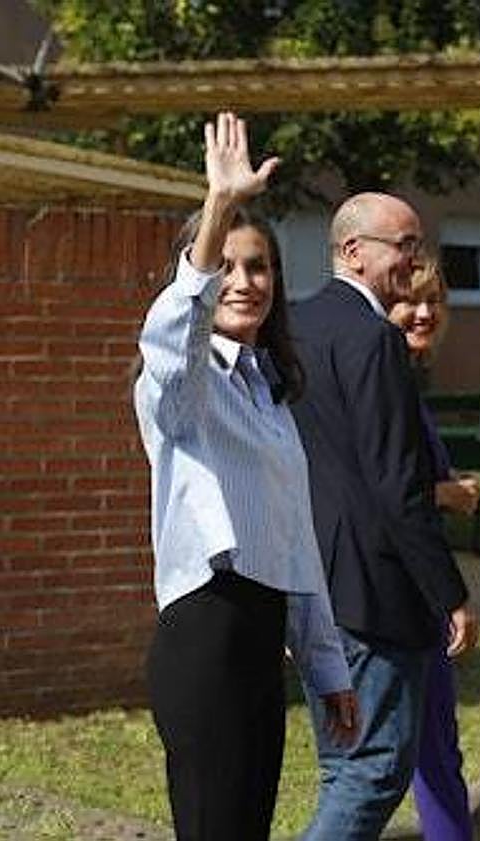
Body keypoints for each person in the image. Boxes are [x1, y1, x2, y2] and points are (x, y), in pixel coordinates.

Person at [133, 112, 358, 841]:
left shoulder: (269, 395)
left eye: (258, 265)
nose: (244, 281)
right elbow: (173, 341)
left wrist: (327, 667)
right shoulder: (183, 390)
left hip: (262, 637)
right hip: (206, 633)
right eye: (225, 265)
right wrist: (219, 208)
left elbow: (296, 546)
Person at [289, 192, 478, 841]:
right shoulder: (373, 336)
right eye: (404, 244)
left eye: (416, 244)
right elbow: (398, 485)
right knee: (372, 771)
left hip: (313, 583)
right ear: (353, 251)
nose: (415, 258)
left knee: (344, 768)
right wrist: (448, 592)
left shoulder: (295, 324)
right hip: (372, 596)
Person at [387, 258, 475, 841]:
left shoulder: (407, 374)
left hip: (416, 586)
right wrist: (445, 491)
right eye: (410, 301)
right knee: (397, 762)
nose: (424, 312)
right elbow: (385, 491)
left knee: (434, 751)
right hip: (402, 593)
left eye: (434, 300)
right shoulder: (384, 377)